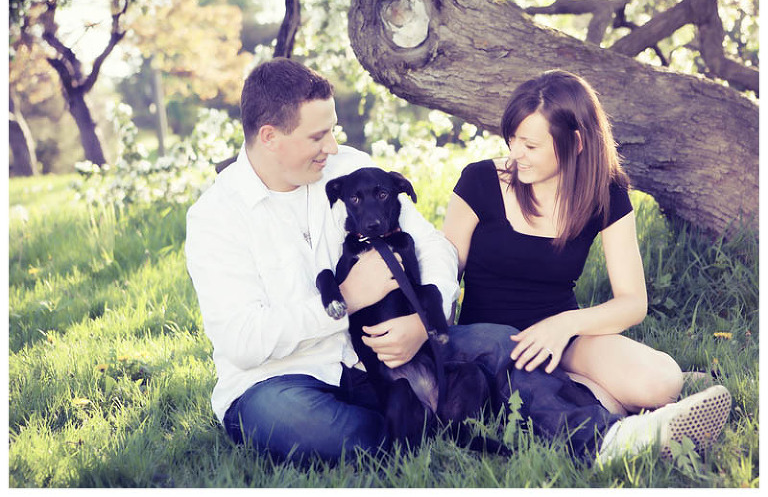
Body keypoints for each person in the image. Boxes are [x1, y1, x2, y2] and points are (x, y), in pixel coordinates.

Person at [186, 58, 730, 465]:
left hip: (393, 350)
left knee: (502, 343)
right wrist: (345, 301)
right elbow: (243, 341)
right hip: (285, 378)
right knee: (315, 429)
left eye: (332, 130)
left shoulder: (346, 167)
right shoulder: (216, 219)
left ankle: (609, 439)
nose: (333, 145)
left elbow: (435, 250)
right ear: (270, 137)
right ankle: (434, 420)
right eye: (319, 135)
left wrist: (423, 324)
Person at [442, 69, 687, 416]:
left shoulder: (605, 192)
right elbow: (444, 279)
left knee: (662, 380)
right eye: (513, 139)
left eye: (530, 146)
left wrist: (564, 324)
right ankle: (607, 403)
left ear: (576, 142)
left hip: (563, 340)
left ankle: (603, 395)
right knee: (577, 398)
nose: (516, 153)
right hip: (490, 344)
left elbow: (633, 302)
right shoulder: (479, 181)